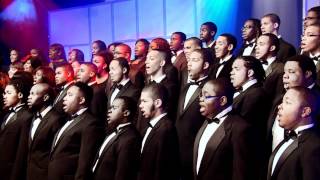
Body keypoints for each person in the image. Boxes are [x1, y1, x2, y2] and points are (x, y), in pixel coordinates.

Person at [194, 79, 259, 180]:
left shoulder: (240, 128)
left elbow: (240, 173)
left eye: (206, 96)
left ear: (222, 100)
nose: (201, 99)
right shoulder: (206, 121)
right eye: (200, 95)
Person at [48, 82, 104, 180]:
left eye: (70, 95)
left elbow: (85, 162)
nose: (64, 98)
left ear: (82, 100)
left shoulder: (90, 124)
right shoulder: (67, 119)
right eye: (65, 95)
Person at [267, 87, 320, 180]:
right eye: (282, 101)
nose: (280, 106)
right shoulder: (289, 137)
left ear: (305, 111)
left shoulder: (314, 147)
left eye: (287, 102)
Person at [176, 49, 211, 180]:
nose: (189, 64)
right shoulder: (185, 87)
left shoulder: (210, 88)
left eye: (195, 60)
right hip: (178, 150)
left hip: (195, 150)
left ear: (206, 65)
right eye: (189, 60)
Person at [91, 96, 141, 180]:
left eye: (114, 108)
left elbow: (123, 173)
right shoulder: (112, 132)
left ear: (126, 113)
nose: (109, 111)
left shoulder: (130, 138)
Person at [138, 84, 180, 180]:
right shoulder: (148, 128)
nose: (140, 105)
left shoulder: (166, 129)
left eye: (144, 101)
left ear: (157, 103)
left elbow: (164, 170)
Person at [26, 83, 63, 180]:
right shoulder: (34, 116)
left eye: (33, 94)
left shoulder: (56, 119)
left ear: (45, 97)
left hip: (45, 174)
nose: (29, 97)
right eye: (29, 94)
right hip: (30, 172)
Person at [0, 79, 33, 180]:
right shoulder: (7, 113)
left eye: (9, 93)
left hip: (10, 170)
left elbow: (21, 151)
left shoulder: (26, 116)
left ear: (20, 95)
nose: (4, 96)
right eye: (4, 93)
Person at [255, 33, 284, 104]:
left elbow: (278, 97)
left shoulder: (280, 68)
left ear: (272, 48)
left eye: (261, 44)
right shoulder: (254, 64)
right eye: (256, 44)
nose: (256, 47)